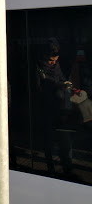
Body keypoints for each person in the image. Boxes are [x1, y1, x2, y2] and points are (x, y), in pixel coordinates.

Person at [35, 38, 74, 176]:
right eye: (51, 60)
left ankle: (66, 166)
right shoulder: (37, 68)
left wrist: (66, 83)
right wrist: (58, 85)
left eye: (55, 60)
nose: (53, 63)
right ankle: (50, 166)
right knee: (49, 141)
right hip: (46, 110)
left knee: (64, 140)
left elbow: (61, 77)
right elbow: (39, 88)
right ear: (45, 57)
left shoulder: (56, 67)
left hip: (60, 108)